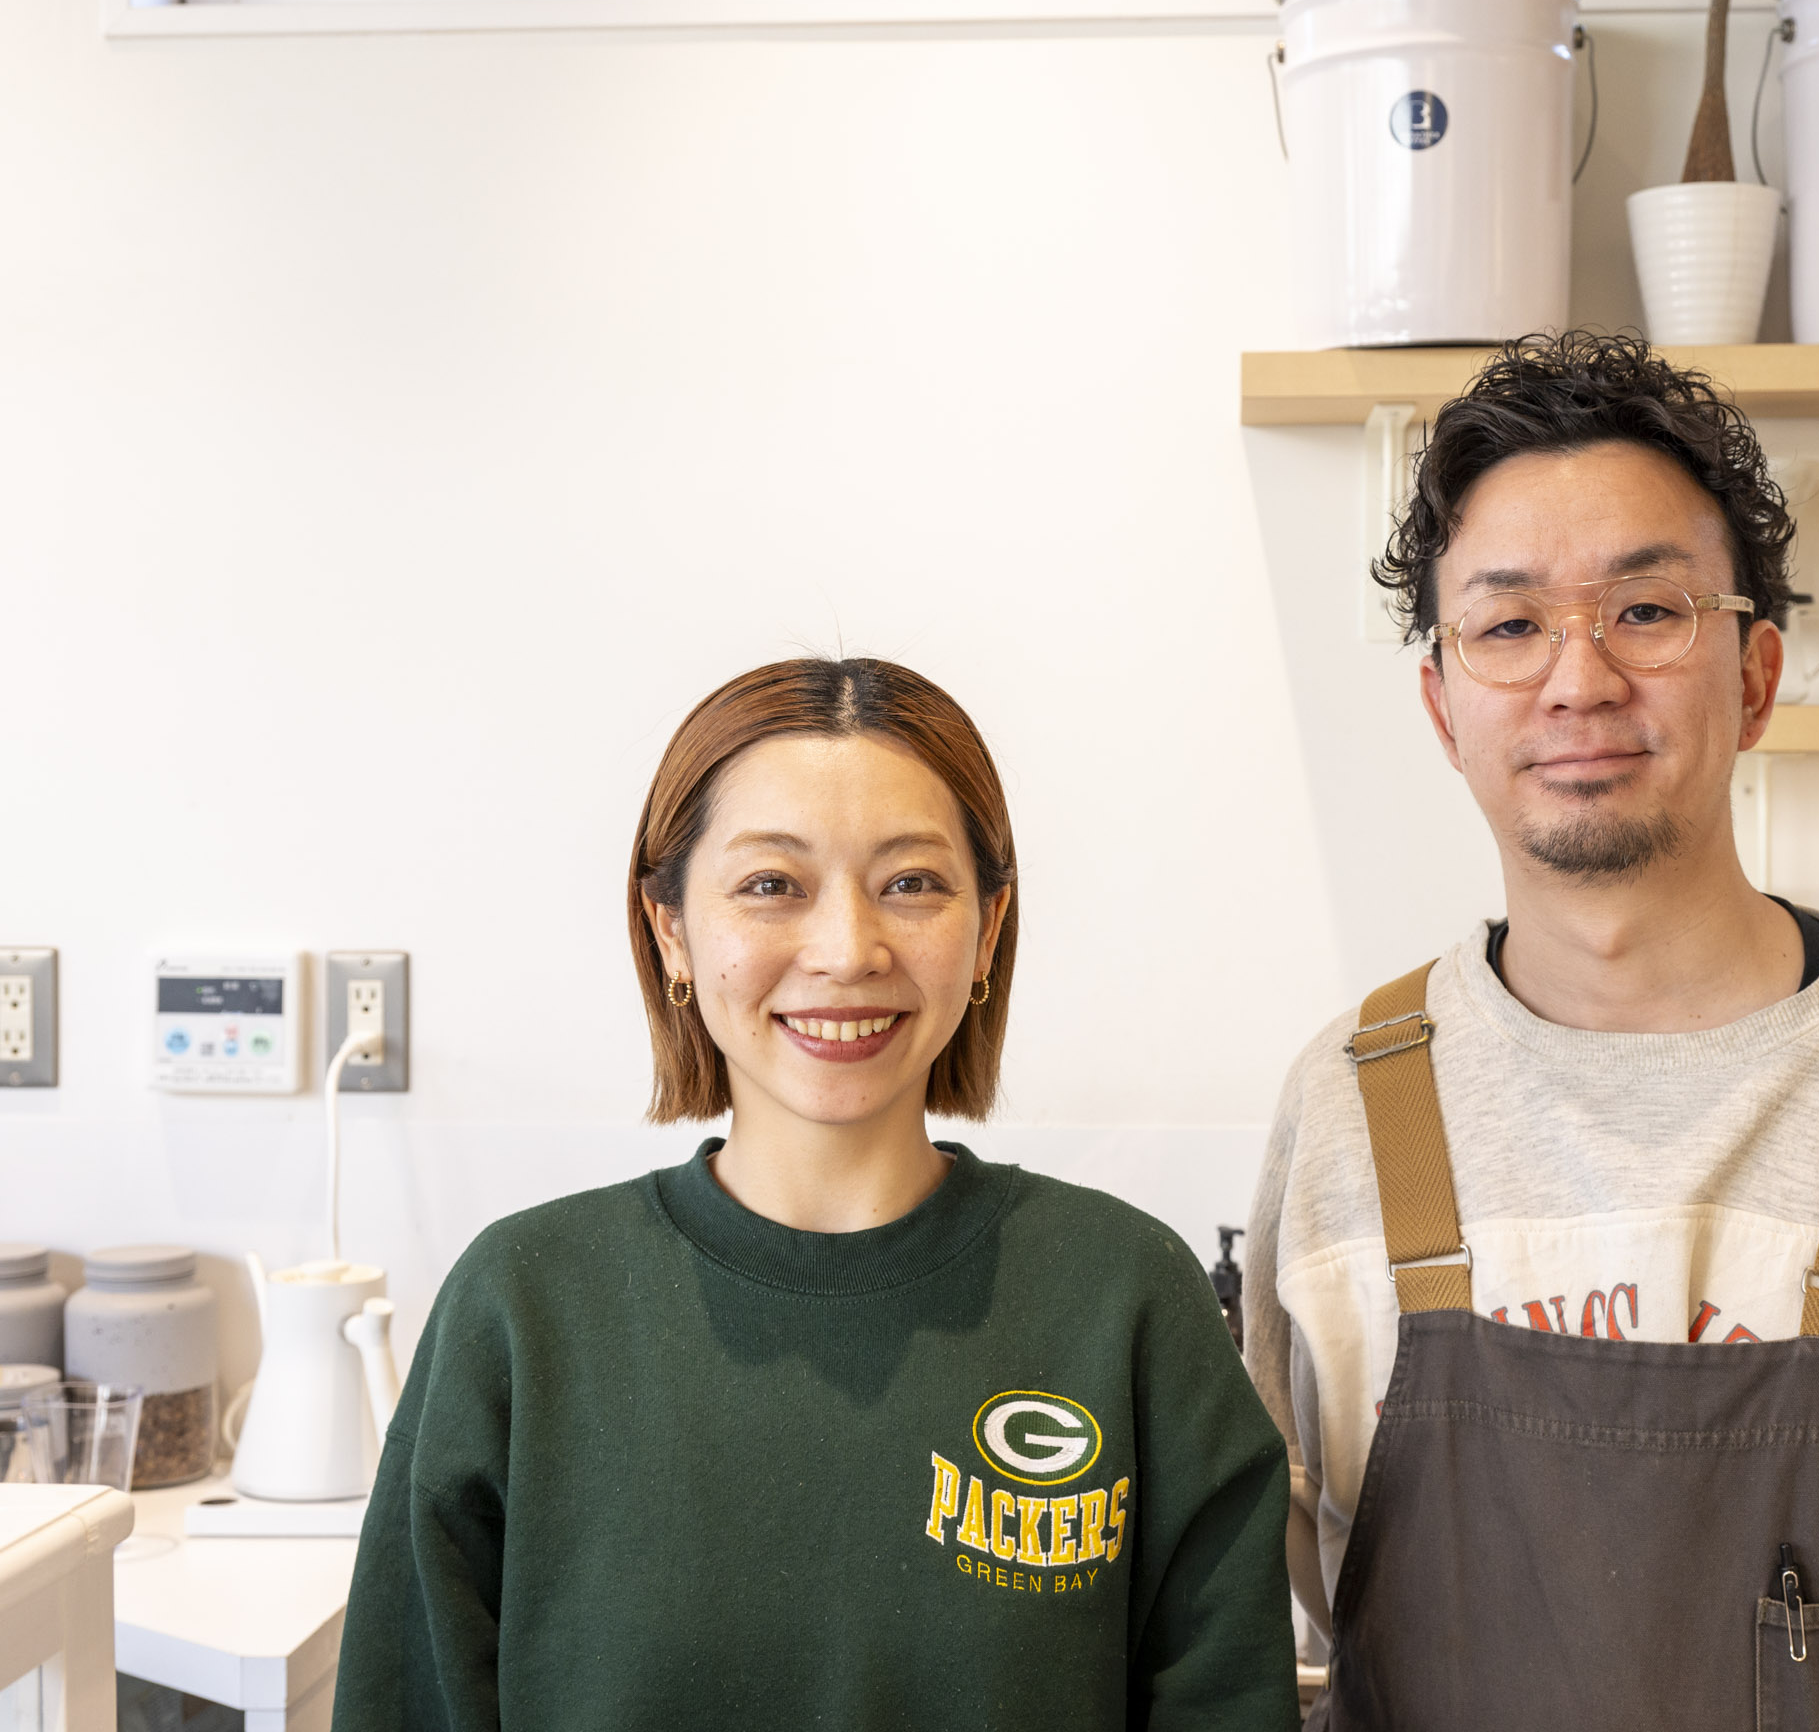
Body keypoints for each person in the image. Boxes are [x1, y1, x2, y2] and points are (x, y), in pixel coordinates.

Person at [1244, 334, 1819, 1732]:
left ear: (1754, 675)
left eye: (1647, 610)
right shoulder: (1346, 1115)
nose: (1578, 680)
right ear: (1444, 706)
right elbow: (1293, 1581)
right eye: (1510, 625)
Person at [334, 657, 1296, 1732]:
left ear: (987, 928)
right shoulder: (523, 1306)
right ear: (671, 930)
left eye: (911, 883)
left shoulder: (1126, 1297)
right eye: (771, 885)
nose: (846, 951)